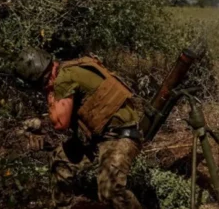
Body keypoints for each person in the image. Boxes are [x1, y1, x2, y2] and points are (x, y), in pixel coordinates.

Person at [14, 47, 143, 209]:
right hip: (101, 134)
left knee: (110, 192)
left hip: (121, 135)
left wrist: (49, 93)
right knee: (60, 160)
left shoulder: (62, 79)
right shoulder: (67, 69)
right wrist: (41, 124)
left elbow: (60, 124)